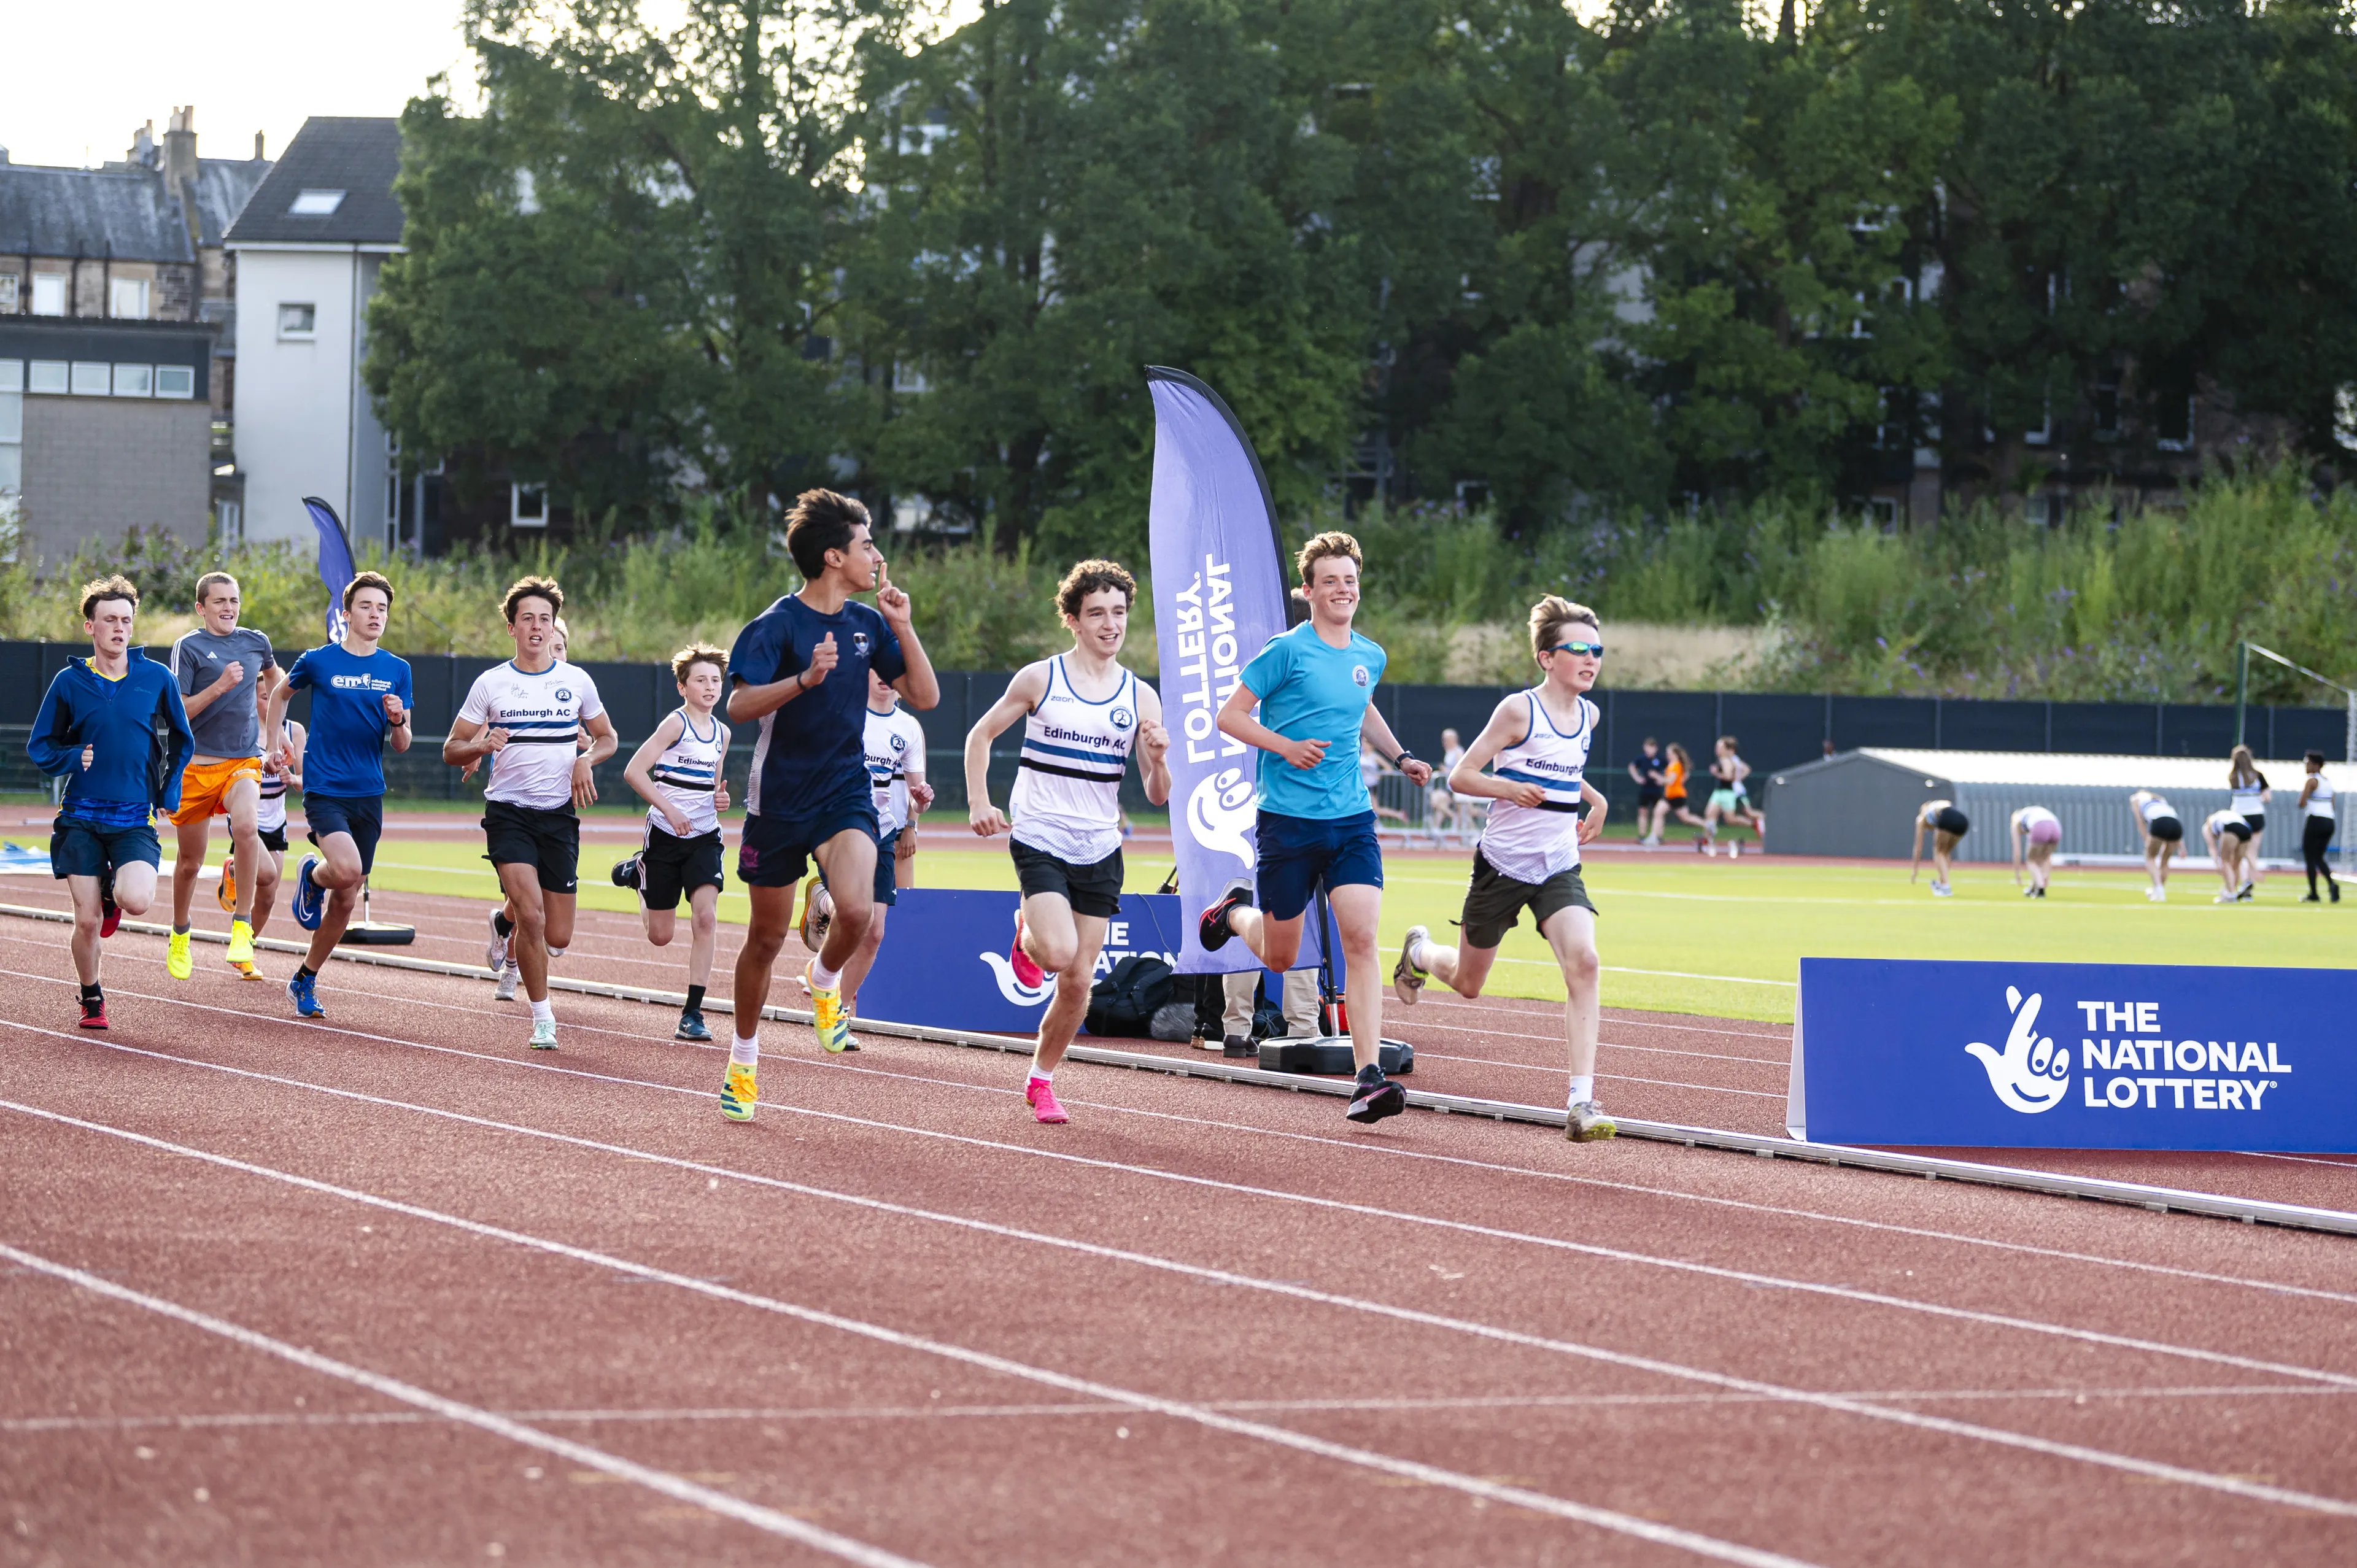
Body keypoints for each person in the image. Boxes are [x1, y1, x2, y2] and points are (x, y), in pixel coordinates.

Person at [1196, 532, 1432, 1127]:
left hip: (1351, 820)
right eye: (1330, 580)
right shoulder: (1285, 650)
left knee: (1361, 937)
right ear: (1309, 590)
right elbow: (1229, 715)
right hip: (1288, 822)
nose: (1342, 589)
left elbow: (1363, 704)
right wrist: (1286, 746)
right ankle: (1233, 913)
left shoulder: (1369, 654)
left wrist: (1401, 755)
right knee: (1279, 957)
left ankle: (1367, 1076)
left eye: (1350, 580)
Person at [722, 489, 940, 1122]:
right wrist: (803, 681)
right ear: (833, 556)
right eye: (867, 544)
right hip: (779, 799)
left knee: (854, 910)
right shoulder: (776, 626)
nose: (878, 556)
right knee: (763, 938)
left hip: (845, 791)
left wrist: (902, 623)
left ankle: (822, 981)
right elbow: (737, 706)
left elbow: (924, 695)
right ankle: (742, 1061)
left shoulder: (870, 625)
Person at [1391, 597, 1615, 1141]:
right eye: (1578, 649)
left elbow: (1566, 768)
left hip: (1558, 863)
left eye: (1598, 650)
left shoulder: (1589, 714)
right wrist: (1507, 787)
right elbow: (1462, 776)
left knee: (1584, 960)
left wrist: (1597, 799)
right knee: (1469, 983)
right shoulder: (1518, 710)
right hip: (1502, 864)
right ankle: (1418, 951)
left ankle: (1582, 1101)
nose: (1591, 659)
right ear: (1546, 658)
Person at [966, 560, 1171, 1124]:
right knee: (1055, 953)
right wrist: (981, 801)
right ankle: (1025, 932)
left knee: (1079, 980)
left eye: (1120, 613)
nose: (1111, 624)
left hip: (1100, 845)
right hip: (1039, 834)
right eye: (1098, 613)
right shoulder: (1041, 679)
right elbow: (980, 734)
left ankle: (1042, 1078)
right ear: (1074, 621)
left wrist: (1157, 756)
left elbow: (1157, 793)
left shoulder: (1141, 697)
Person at [444, 577, 617, 1051]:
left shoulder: (576, 681)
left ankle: (502, 926)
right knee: (533, 916)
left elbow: (608, 737)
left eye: (545, 618)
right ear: (512, 627)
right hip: (509, 814)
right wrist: (480, 745)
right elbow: (451, 749)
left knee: (557, 936)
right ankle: (543, 1018)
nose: (537, 627)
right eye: (528, 619)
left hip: (559, 816)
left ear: (553, 626)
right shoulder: (491, 683)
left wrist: (586, 759)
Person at [28, 577, 195, 1029]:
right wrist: (70, 756)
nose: (119, 628)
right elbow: (39, 745)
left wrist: (171, 786)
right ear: (91, 627)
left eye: (126, 619)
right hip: (80, 817)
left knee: (136, 898)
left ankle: (111, 891)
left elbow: (183, 737)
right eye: (110, 620)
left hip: (134, 817)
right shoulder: (69, 681)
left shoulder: (156, 677)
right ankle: (92, 995)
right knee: (86, 922)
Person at [264, 571, 414, 1020]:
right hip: (324, 786)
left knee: (347, 897)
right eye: (366, 607)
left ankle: (305, 977)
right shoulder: (319, 660)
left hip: (368, 791)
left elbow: (403, 744)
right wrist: (274, 745)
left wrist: (399, 719)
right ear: (346, 614)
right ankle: (312, 876)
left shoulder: (397, 669)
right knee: (346, 870)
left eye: (382, 608)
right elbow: (278, 694)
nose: (376, 615)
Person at [801, 668, 935, 1049]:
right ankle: (824, 903)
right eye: (878, 668)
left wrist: (918, 806)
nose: (885, 678)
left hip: (884, 830)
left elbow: (915, 794)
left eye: (894, 671)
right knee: (852, 911)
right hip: (837, 826)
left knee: (874, 932)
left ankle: (836, 1013)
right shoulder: (841, 713)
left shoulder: (908, 728)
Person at [614, 645, 732, 1043]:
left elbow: (714, 787)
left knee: (706, 918)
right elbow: (634, 771)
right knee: (660, 935)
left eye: (715, 679)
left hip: (704, 838)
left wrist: (721, 800)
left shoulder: (723, 733)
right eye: (701, 679)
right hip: (665, 835)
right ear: (683, 687)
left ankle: (692, 1012)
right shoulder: (674, 725)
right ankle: (638, 874)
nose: (710, 686)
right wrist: (669, 809)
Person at [164, 573, 279, 983]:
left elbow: (276, 683)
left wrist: (276, 736)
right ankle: (180, 932)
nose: (228, 607)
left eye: (234, 600)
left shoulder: (255, 641)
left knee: (247, 825)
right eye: (219, 602)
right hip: (196, 766)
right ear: (201, 608)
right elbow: (177, 712)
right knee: (190, 863)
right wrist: (220, 686)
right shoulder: (188, 648)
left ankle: (241, 926)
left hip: (241, 762)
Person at [222, 717, 303, 948]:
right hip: (246, 815)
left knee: (268, 898)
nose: (270, 701)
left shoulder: (294, 731)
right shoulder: (242, 725)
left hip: (276, 821)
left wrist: (293, 779)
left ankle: (245, 948)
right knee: (266, 874)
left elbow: (307, 778)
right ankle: (236, 869)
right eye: (264, 695)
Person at [1700, 735, 1762, 855]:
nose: (1717, 749)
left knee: (1730, 819)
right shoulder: (1725, 759)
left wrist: (1716, 773)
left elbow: (1728, 777)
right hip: (1719, 792)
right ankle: (1707, 840)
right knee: (1709, 814)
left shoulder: (1727, 760)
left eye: (1720, 747)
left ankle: (1753, 824)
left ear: (1727, 749)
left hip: (1727, 793)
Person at [2228, 746, 2269, 898]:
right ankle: (2249, 884)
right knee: (2252, 852)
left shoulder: (2232, 777)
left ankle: (2245, 882)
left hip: (2238, 817)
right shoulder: (2258, 776)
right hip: (2256, 816)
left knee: (2240, 853)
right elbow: (2268, 797)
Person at [2297, 751, 2337, 904]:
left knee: (2310, 857)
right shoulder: (2328, 782)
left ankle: (2314, 893)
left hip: (2316, 820)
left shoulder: (2312, 781)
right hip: (2329, 821)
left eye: (2308, 763)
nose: (2306, 767)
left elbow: (2301, 802)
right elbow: (2332, 803)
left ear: (2316, 765)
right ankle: (2332, 885)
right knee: (2319, 857)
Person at [2128, 789, 2181, 902]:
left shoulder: (2135, 799)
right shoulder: (2160, 800)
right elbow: (2173, 818)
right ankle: (2157, 890)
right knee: (2165, 860)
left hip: (2159, 823)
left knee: (2150, 857)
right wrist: (2182, 847)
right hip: (2176, 825)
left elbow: (2140, 822)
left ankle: (2159, 891)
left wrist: (2146, 839)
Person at [1910, 798, 1969, 896]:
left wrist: (1915, 870)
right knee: (1945, 852)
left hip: (1947, 817)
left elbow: (1918, 847)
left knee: (1939, 852)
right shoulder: (1938, 805)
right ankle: (1942, 883)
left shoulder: (1922, 818)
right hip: (1963, 821)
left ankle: (1945, 887)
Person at [2202, 808, 2255, 905]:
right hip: (2247, 829)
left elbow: (2212, 847)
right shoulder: (2224, 815)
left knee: (2225, 861)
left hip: (2231, 828)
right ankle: (2231, 891)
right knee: (2236, 864)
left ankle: (2230, 894)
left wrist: (2217, 863)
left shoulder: (2207, 826)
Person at [2008, 804, 2059, 898]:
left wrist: (2017, 873)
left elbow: (2017, 851)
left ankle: (2040, 889)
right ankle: (2035, 886)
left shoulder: (2016, 821)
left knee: (2031, 860)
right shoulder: (2031, 813)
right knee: (2043, 858)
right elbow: (2047, 858)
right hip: (2056, 826)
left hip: (2040, 826)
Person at [1629, 737, 1667, 845]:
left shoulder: (1660, 759)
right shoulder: (1641, 759)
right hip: (1645, 790)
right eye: (1648, 747)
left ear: (1656, 748)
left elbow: (1670, 770)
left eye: (1652, 747)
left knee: (1659, 813)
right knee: (1643, 812)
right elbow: (1632, 767)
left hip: (1657, 790)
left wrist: (1662, 779)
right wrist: (1638, 778)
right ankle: (1642, 835)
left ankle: (1658, 836)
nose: (1650, 750)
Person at [1664, 743, 1705, 835]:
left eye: (1669, 753)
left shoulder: (1676, 765)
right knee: (1660, 812)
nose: (1667, 755)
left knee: (1685, 818)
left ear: (1675, 754)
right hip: (1671, 794)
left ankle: (1706, 825)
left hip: (1676, 795)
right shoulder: (1672, 765)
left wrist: (1658, 777)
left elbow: (1670, 781)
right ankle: (1656, 836)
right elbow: (1683, 778)